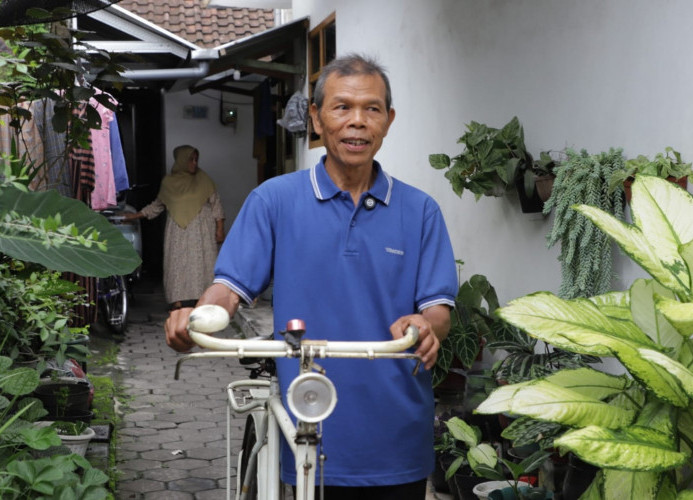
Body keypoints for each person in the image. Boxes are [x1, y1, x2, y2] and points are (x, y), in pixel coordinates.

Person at [165, 54, 457, 499]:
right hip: (307, 425)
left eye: (372, 109)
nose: (357, 122)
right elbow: (229, 289)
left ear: (388, 120)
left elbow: (437, 310)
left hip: (396, 437)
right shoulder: (274, 201)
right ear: (317, 119)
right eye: (342, 108)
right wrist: (199, 318)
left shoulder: (420, 211)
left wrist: (424, 325)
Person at [124, 145, 225, 310]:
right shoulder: (169, 182)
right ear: (181, 161)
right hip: (178, 232)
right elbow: (157, 206)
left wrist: (220, 228)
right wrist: (135, 216)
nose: (194, 163)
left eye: (196, 160)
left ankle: (204, 299)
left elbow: (216, 205)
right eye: (190, 159)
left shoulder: (204, 179)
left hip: (202, 231)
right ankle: (177, 300)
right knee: (178, 265)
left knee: (203, 265)